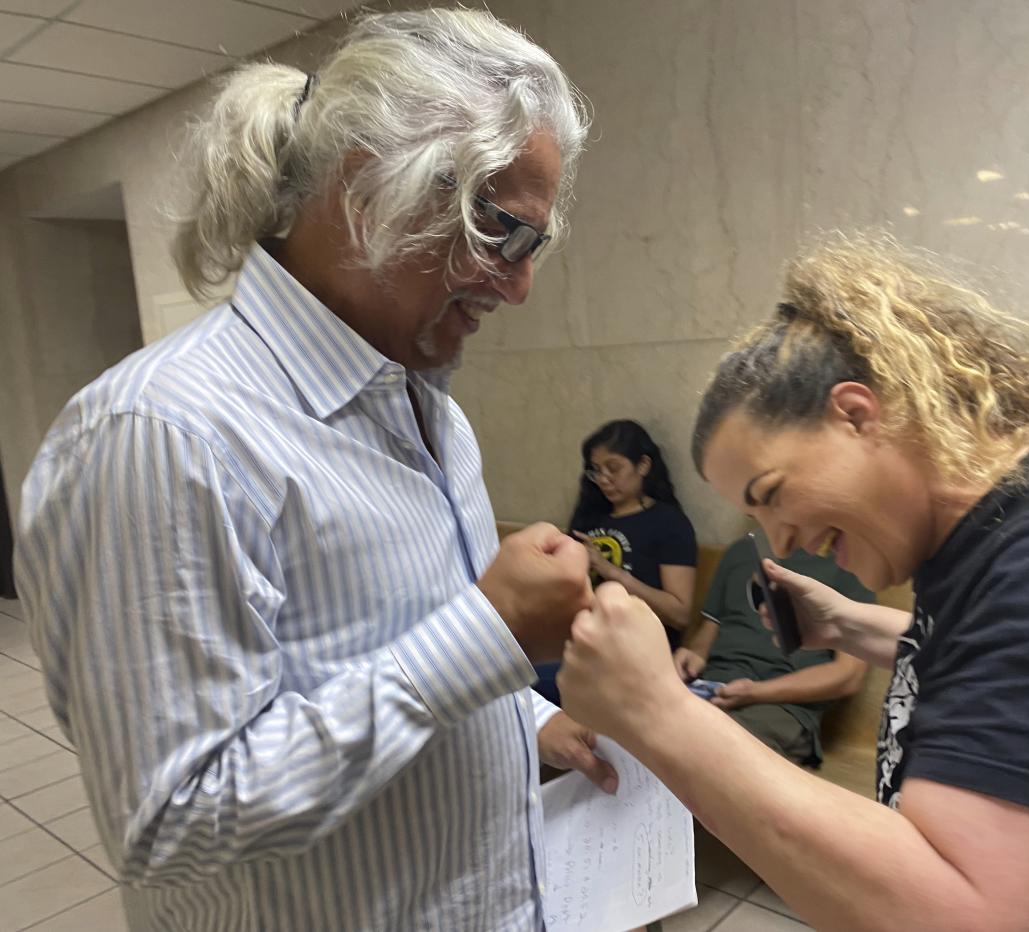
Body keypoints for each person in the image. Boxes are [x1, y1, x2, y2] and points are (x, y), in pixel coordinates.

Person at [15, 11, 616, 931]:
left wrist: (527, 720)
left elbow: (375, 654)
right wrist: (490, 633)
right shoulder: (163, 433)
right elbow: (174, 820)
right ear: (369, 182)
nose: (517, 283)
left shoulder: (433, 415)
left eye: (532, 246)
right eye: (500, 230)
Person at [558, 235, 1029, 931]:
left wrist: (658, 712)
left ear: (858, 414)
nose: (778, 538)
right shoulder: (1014, 513)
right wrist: (849, 625)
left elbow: (976, 917)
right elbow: (998, 654)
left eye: (771, 494)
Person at [534, 420, 697, 703]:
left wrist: (611, 571)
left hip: (637, 652)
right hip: (583, 643)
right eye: (596, 471)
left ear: (643, 465)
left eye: (614, 468)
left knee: (522, 683)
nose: (604, 479)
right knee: (509, 669)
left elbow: (679, 613)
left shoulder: (669, 523)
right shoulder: (591, 519)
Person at [673, 537, 869, 766]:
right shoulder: (741, 549)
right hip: (714, 689)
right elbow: (709, 630)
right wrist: (693, 655)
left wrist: (757, 692)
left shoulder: (849, 563)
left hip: (781, 706)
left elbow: (848, 675)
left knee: (714, 746)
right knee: (643, 724)